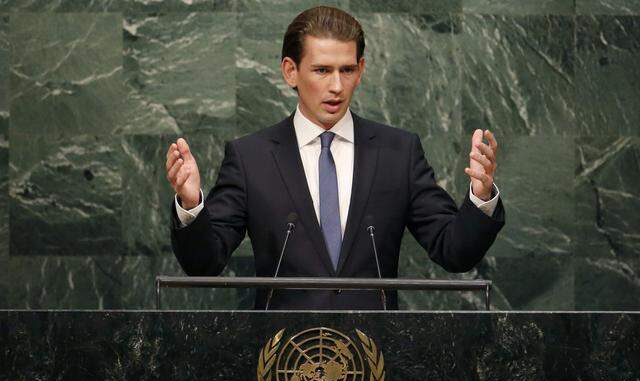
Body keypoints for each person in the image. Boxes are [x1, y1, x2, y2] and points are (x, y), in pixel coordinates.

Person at [166, 6, 505, 310]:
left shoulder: (397, 153)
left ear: (361, 70)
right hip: (283, 358)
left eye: (346, 70)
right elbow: (204, 263)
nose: (337, 86)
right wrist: (191, 201)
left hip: (374, 357)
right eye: (322, 70)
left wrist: (481, 197)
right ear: (290, 71)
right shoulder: (250, 157)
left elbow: (454, 251)